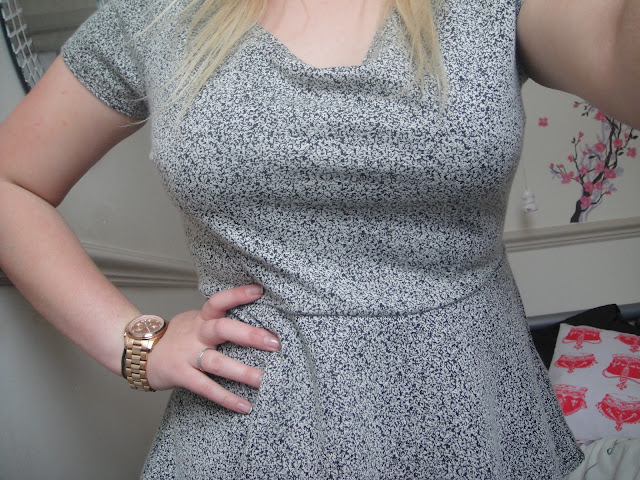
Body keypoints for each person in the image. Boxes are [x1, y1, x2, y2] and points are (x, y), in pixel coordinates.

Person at [0, 0, 638, 478]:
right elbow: (11, 183)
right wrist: (136, 345)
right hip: (247, 442)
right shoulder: (157, 12)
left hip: (487, 426)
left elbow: (618, 48)